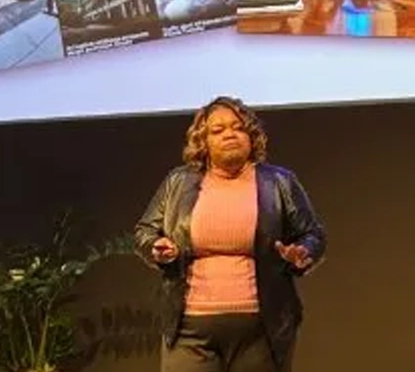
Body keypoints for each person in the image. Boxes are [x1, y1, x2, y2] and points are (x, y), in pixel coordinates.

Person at [134, 96, 327, 372]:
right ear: (203, 142)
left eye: (238, 128)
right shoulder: (178, 182)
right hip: (189, 330)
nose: (230, 134)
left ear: (251, 136)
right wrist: (156, 246)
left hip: (261, 330)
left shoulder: (278, 182)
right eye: (218, 130)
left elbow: (313, 234)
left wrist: (302, 252)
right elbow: (145, 231)